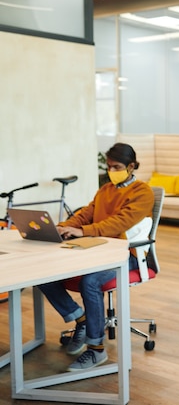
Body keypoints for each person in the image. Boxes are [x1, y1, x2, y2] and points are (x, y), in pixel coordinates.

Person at [38, 143, 154, 371]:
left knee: (90, 282)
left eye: (117, 166)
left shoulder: (142, 192)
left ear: (131, 166)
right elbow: (85, 214)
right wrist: (63, 227)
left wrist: (84, 232)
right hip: (95, 249)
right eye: (109, 166)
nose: (112, 171)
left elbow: (119, 222)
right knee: (42, 272)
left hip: (125, 254)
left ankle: (96, 350)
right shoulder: (105, 190)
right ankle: (80, 318)